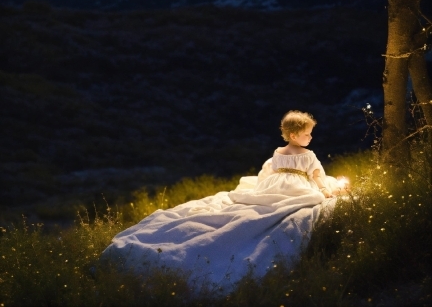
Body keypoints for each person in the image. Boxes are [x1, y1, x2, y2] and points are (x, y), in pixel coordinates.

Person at [101, 110, 345, 292]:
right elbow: (316, 175)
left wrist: (261, 188)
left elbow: (267, 174)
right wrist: (323, 189)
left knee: (266, 199)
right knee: (303, 198)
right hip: (296, 188)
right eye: (307, 134)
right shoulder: (308, 155)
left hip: (273, 186)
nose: (311, 138)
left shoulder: (277, 153)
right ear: (294, 135)